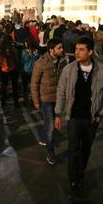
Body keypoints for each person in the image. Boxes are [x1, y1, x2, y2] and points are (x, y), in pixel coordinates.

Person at [55, 36, 103, 198]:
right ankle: (73, 179)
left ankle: (80, 172)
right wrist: (58, 113)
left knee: (86, 148)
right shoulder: (69, 69)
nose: (77, 52)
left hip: (91, 118)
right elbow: (61, 92)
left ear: (90, 52)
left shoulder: (101, 70)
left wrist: (101, 113)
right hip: (73, 117)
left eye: (81, 49)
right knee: (72, 149)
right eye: (76, 49)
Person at [31, 37, 68, 165]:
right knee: (50, 125)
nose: (62, 50)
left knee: (55, 124)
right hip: (46, 99)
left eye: (62, 47)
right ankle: (50, 151)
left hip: (59, 98)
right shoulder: (41, 63)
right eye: (59, 48)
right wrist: (36, 101)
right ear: (51, 50)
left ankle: (48, 139)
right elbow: (34, 83)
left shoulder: (64, 61)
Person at [0, 34, 20, 107]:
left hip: (4, 68)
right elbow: (17, 59)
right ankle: (16, 102)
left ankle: (3, 101)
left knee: (4, 86)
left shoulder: (0, 49)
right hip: (13, 68)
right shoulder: (13, 49)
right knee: (14, 86)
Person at [21, 37, 39, 104]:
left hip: (26, 70)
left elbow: (22, 61)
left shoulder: (24, 52)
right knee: (34, 86)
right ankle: (33, 100)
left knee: (25, 86)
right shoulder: (37, 52)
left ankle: (25, 100)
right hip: (34, 71)